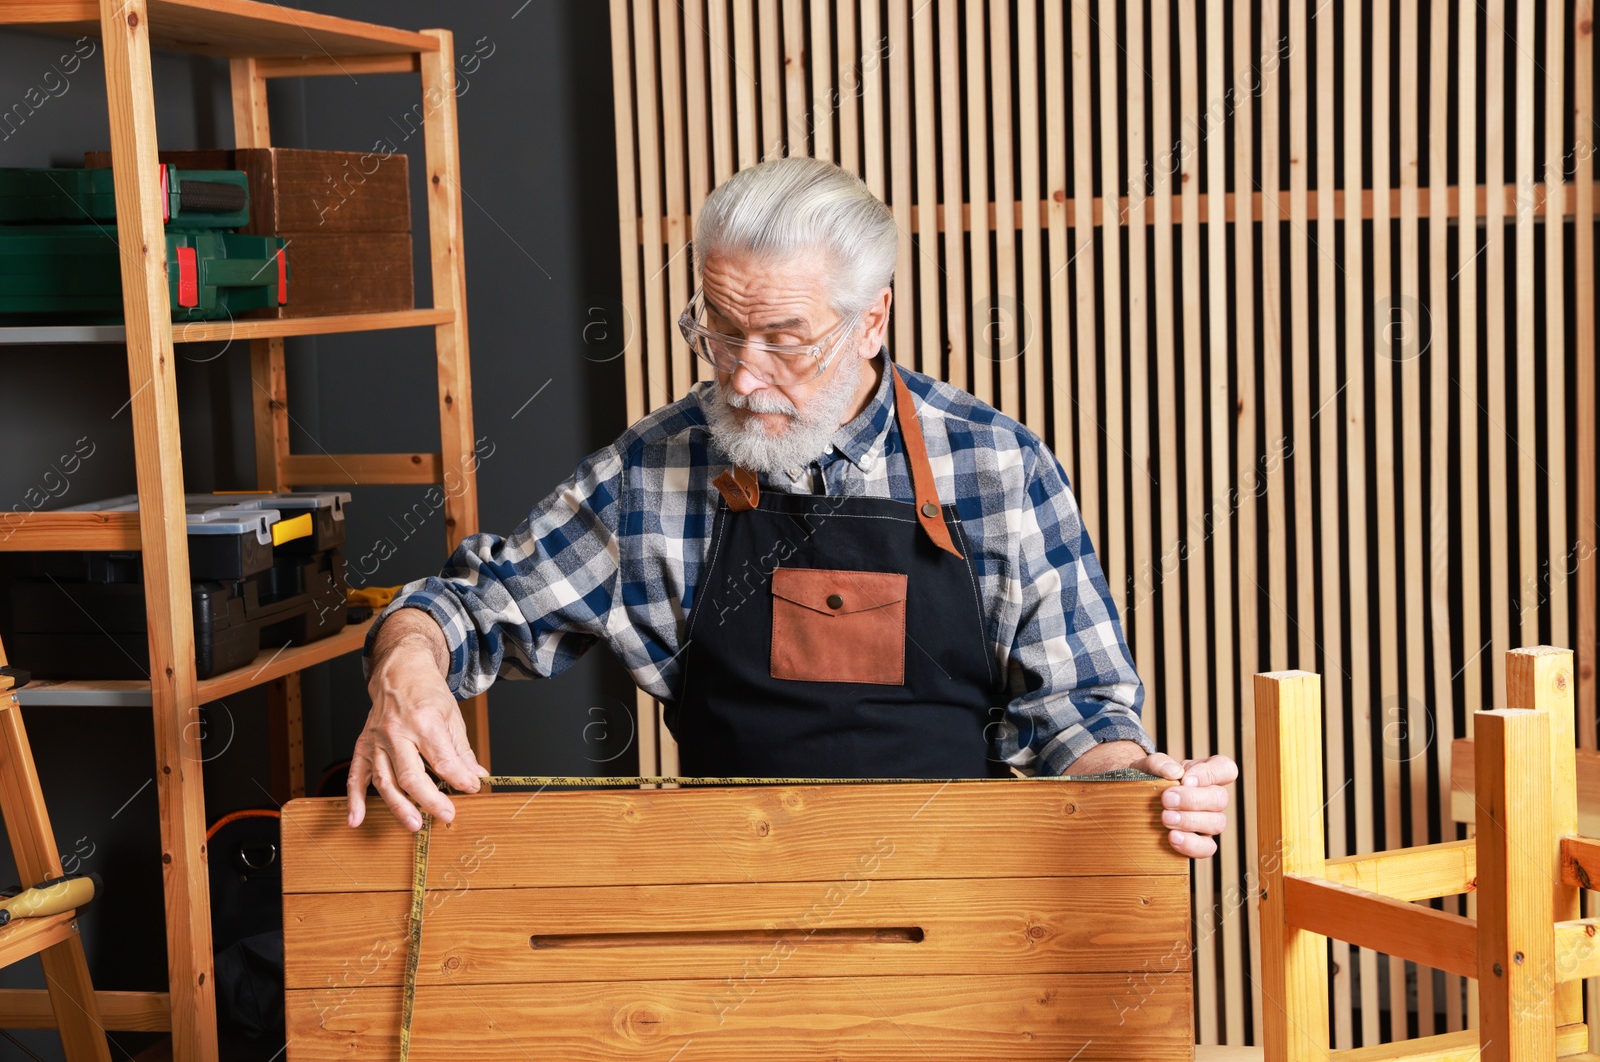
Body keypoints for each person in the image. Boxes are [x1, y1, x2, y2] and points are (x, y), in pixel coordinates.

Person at [346, 156, 1236, 859]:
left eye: (784, 340)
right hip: (731, 906)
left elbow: (1078, 712)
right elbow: (469, 605)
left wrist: (1146, 791)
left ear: (872, 320)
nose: (740, 375)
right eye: (720, 331)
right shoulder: (656, 472)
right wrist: (407, 663)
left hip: (965, 906)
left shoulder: (994, 465)